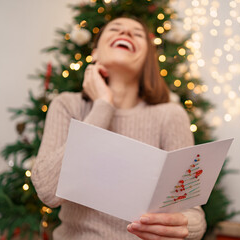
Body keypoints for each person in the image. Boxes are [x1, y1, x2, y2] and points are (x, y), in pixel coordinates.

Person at [32, 17, 206, 240]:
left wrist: (184, 226)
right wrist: (103, 107)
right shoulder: (68, 105)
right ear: (94, 53)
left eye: (137, 33)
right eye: (115, 29)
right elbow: (47, 191)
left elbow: (193, 214)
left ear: (147, 60)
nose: (125, 32)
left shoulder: (171, 115)